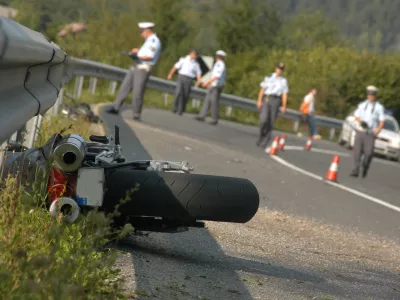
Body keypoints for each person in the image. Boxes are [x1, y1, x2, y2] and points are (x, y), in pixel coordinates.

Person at [107, 22, 161, 120]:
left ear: (148, 30)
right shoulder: (148, 41)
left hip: (143, 68)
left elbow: (149, 57)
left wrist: (137, 55)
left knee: (137, 91)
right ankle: (116, 107)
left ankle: (136, 113)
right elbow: (144, 53)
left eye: (142, 31)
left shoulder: (154, 41)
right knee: (124, 87)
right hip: (136, 66)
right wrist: (137, 52)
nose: (141, 33)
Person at [350, 85, 385, 178]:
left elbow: (382, 121)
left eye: (372, 95)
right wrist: (360, 121)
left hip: (370, 132)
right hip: (361, 130)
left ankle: (365, 166)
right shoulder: (362, 105)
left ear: (375, 96)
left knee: (368, 153)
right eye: (369, 95)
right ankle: (355, 170)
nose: (370, 97)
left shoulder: (379, 107)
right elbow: (356, 115)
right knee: (357, 152)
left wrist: (377, 130)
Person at [256, 63, 289, 148]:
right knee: (263, 119)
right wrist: (259, 100)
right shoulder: (269, 77)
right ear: (275, 69)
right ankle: (261, 135)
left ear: (282, 71)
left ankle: (266, 139)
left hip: (276, 100)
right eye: (278, 68)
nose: (279, 71)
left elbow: (284, 93)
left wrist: (284, 105)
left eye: (281, 69)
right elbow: (262, 89)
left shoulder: (283, 81)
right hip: (267, 98)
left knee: (271, 121)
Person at [194, 50, 227, 125]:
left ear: (218, 57)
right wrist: (209, 83)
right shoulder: (218, 64)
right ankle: (202, 116)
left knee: (213, 101)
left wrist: (207, 82)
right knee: (207, 99)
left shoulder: (220, 64)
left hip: (216, 85)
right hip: (213, 84)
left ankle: (214, 119)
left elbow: (216, 76)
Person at [167, 49, 202, 115]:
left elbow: (198, 73)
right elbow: (175, 67)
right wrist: (170, 74)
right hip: (181, 77)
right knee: (178, 92)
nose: (194, 56)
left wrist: (198, 80)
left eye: (196, 55)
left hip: (189, 79)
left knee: (185, 94)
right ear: (191, 53)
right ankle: (174, 107)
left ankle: (181, 109)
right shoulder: (183, 59)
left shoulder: (196, 64)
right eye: (194, 54)